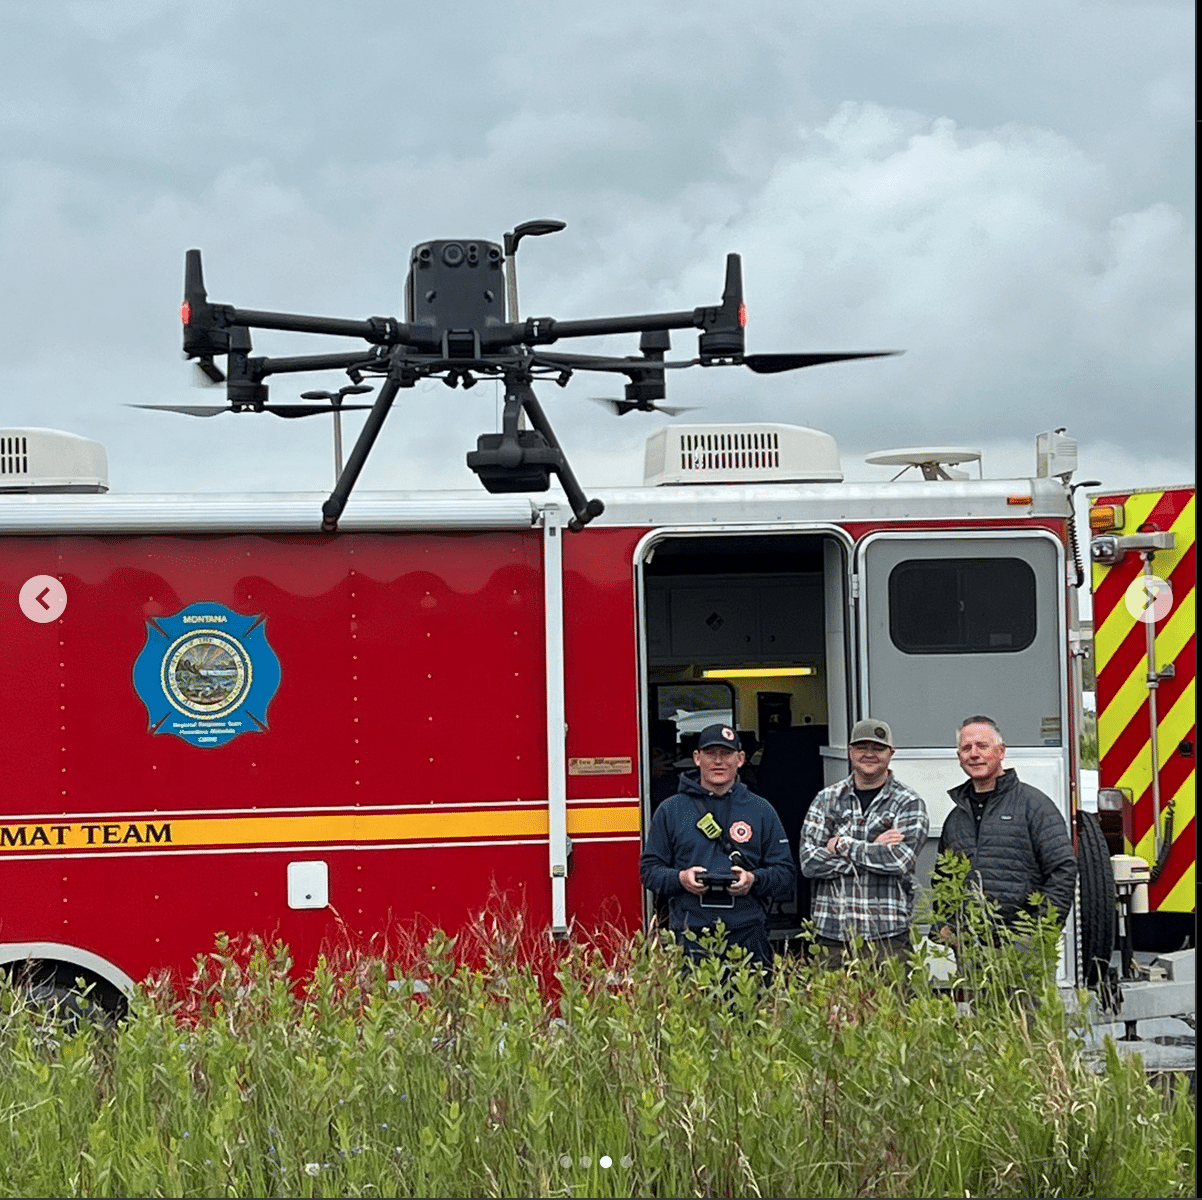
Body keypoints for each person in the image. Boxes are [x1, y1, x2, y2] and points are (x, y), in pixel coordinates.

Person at [640, 723, 795, 968]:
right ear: (697, 758)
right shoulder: (671, 810)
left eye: (726, 753)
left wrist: (753, 880)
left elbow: (785, 874)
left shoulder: (761, 810)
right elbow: (649, 871)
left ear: (740, 759)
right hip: (690, 934)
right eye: (711, 753)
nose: (718, 761)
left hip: (748, 932)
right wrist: (681, 878)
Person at [799, 718, 929, 967]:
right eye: (861, 747)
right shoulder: (826, 799)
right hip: (832, 937)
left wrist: (842, 845)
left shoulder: (909, 802)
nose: (869, 754)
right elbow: (809, 863)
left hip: (888, 937)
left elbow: (898, 861)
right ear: (850, 752)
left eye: (878, 748)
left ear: (891, 754)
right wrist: (874, 846)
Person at [935, 715, 1077, 941]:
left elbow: (1062, 869)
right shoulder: (956, 818)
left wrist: (1041, 933)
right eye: (966, 748)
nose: (974, 754)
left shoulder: (1034, 806)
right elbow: (942, 880)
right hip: (970, 946)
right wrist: (945, 927)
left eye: (982, 746)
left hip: (1023, 946)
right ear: (959, 757)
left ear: (1001, 751)